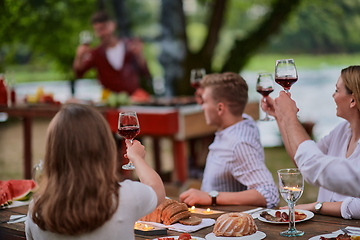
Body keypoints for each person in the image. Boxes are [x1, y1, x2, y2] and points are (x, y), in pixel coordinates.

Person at [25, 104, 165, 240]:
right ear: (104, 147)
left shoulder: (36, 209)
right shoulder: (124, 197)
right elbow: (157, 189)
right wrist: (137, 158)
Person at [262, 65, 360, 219]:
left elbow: (357, 207)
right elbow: (302, 159)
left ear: (353, 99)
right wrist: (280, 117)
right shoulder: (341, 131)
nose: (333, 96)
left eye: (337, 90)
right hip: (327, 229)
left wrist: (316, 207)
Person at [180, 72, 279, 208]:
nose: (202, 107)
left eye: (205, 102)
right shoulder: (240, 122)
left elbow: (269, 194)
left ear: (220, 108)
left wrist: (211, 197)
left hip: (230, 225)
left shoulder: (239, 143)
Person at [73, 11, 152, 95]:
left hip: (134, 98)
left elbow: (145, 72)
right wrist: (79, 56)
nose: (102, 33)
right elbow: (79, 73)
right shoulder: (96, 53)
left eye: (104, 28)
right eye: (98, 30)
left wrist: (139, 54)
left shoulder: (130, 47)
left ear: (113, 25)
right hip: (109, 100)